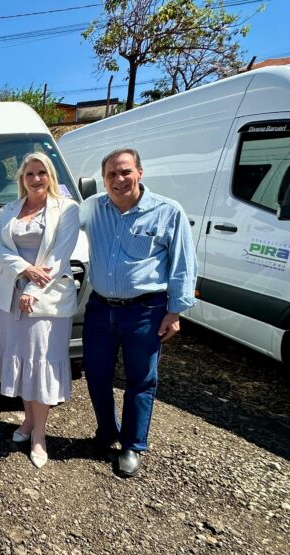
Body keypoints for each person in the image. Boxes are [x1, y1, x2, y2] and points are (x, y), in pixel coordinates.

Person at [80, 149, 197, 478]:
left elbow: (183, 265)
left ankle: (132, 446)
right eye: (111, 175)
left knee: (141, 380)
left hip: (146, 311)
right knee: (97, 376)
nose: (118, 179)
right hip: (101, 308)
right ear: (103, 180)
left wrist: (175, 311)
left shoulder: (167, 211)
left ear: (140, 173)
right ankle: (106, 432)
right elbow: (55, 222)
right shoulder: (92, 209)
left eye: (125, 172)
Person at [0, 153, 80, 468]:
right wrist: (25, 268)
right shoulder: (8, 210)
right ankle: (28, 422)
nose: (36, 178)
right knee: (23, 363)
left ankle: (40, 436)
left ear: (50, 176)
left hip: (48, 301)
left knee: (41, 365)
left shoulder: (67, 210)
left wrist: (32, 287)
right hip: (10, 299)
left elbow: (59, 254)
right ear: (22, 179)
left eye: (42, 172)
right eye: (30, 173)